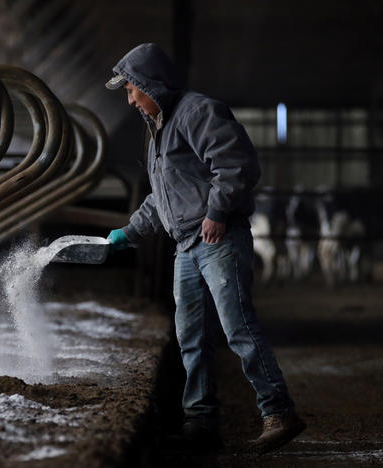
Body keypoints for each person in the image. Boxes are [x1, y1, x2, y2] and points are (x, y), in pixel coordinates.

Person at [104, 43, 305, 453]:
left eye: (131, 89)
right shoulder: (157, 128)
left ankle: (279, 411)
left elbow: (236, 163)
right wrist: (129, 232)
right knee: (190, 336)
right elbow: (162, 198)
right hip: (186, 246)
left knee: (238, 328)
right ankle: (201, 422)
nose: (129, 98)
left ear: (149, 84)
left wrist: (216, 211)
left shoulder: (197, 112)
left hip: (218, 237)